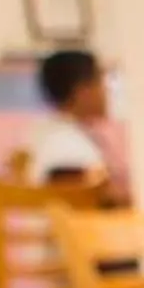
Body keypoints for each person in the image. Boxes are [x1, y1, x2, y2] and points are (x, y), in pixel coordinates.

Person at [21, 47, 127, 200]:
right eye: (100, 81)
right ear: (82, 90)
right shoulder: (66, 146)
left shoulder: (43, 131)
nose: (107, 91)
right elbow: (84, 201)